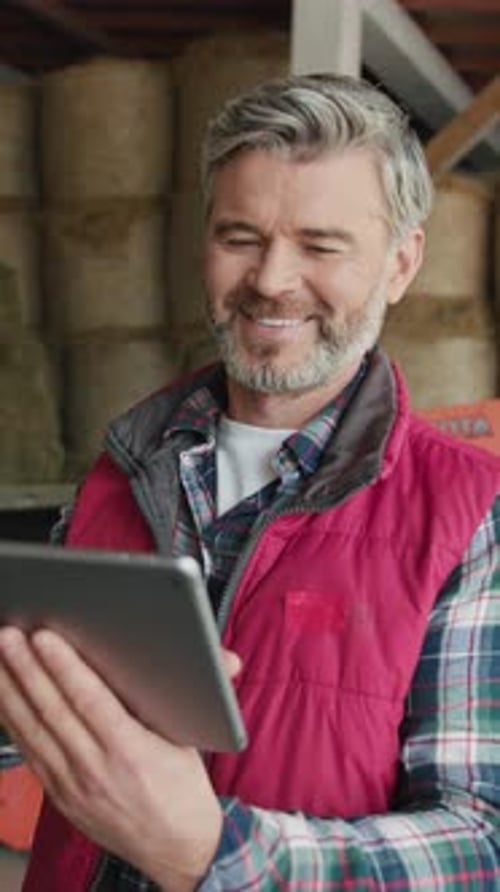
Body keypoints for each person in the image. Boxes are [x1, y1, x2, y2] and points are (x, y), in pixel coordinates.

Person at [0, 73, 499, 891]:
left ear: (402, 263)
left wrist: (212, 854)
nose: (271, 280)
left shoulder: (471, 516)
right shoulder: (125, 466)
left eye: (320, 244)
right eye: (241, 236)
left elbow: (482, 846)